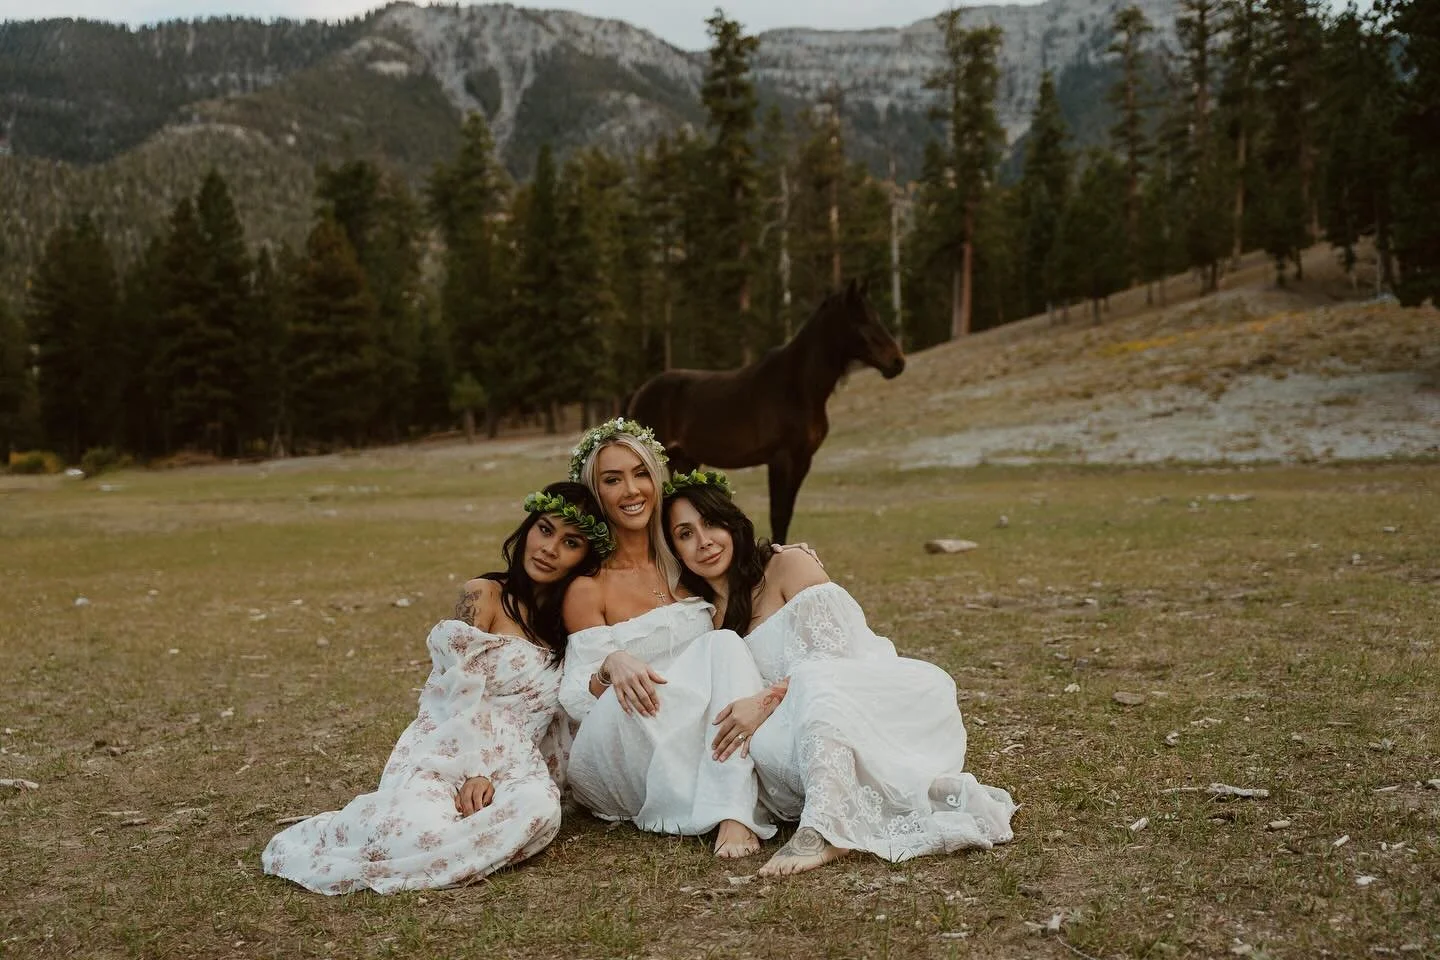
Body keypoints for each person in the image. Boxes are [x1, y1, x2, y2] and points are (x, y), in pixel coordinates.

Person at [662, 469, 1018, 877]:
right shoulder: (704, 619)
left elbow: (838, 657)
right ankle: (896, 791)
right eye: (685, 534)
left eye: (710, 523)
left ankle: (826, 831)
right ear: (673, 549)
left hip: (866, 694)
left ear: (732, 522)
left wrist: (763, 702)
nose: (704, 541)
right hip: (790, 728)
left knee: (816, 682)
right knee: (757, 746)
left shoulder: (787, 565)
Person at [261, 481, 612, 894]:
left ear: (584, 557)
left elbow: (562, 714)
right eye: (545, 529)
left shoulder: (568, 625)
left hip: (520, 765)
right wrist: (472, 769)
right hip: (450, 748)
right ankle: (407, 842)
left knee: (540, 811)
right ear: (528, 528)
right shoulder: (484, 596)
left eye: (571, 542)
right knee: (414, 828)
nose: (550, 548)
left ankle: (456, 846)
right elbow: (452, 690)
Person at [558, 418, 775, 858]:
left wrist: (784, 555)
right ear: (596, 493)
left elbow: (747, 584)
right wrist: (609, 664)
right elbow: (577, 701)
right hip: (623, 733)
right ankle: (730, 805)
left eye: (641, 474)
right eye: (613, 480)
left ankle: (728, 807)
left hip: (697, 730)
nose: (632, 490)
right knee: (715, 650)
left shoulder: (687, 562)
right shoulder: (589, 586)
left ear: (657, 479)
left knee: (725, 645)